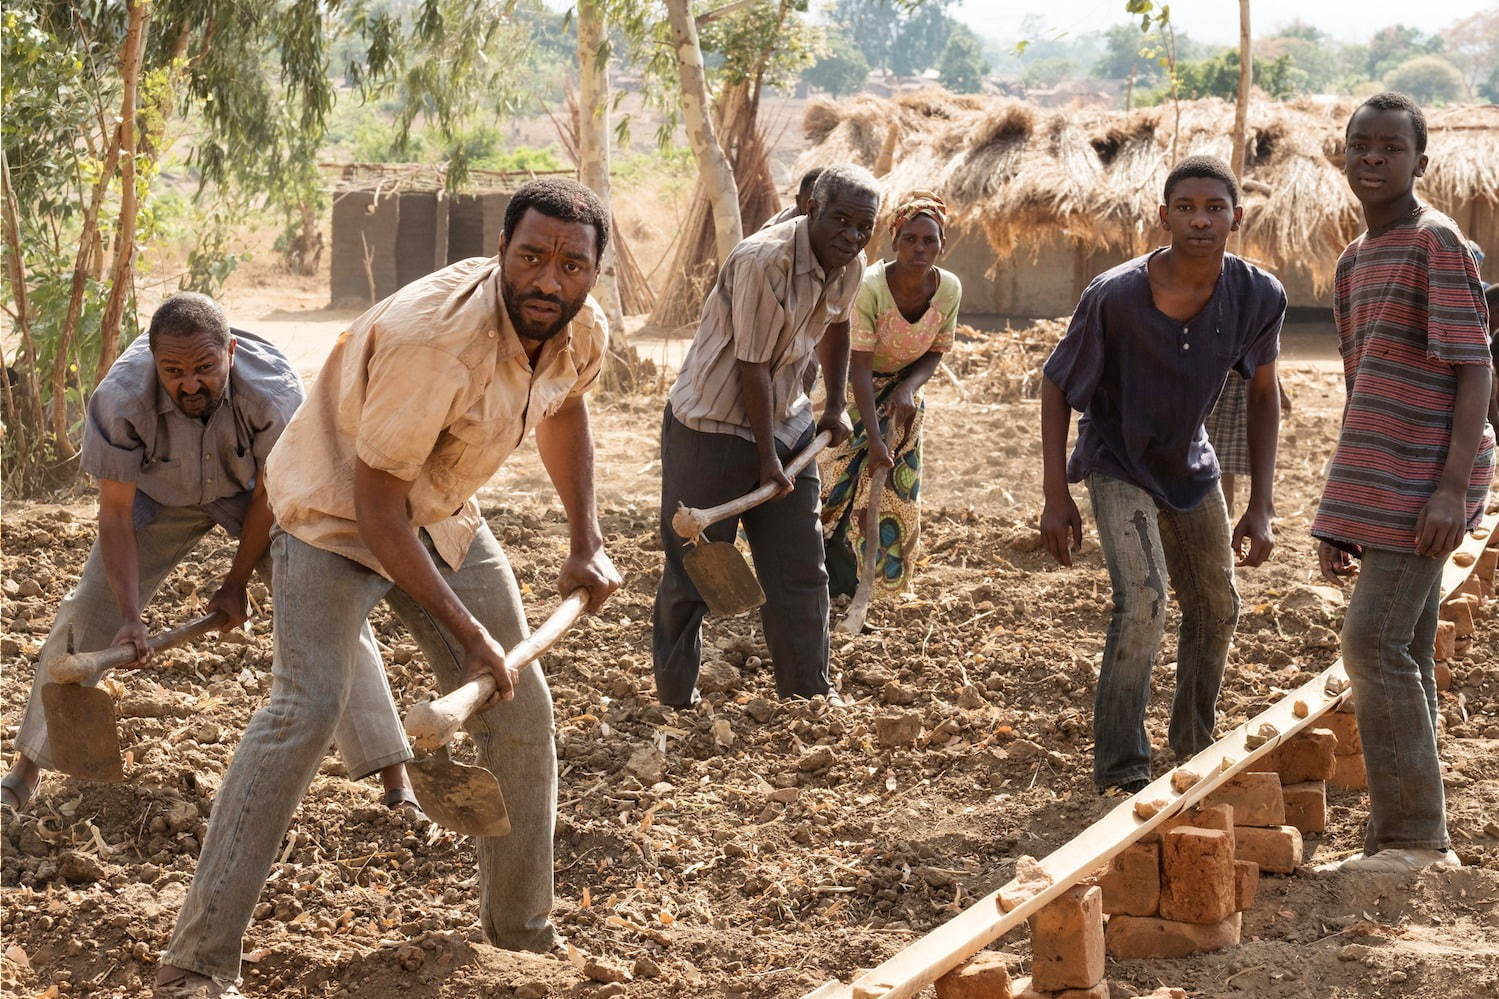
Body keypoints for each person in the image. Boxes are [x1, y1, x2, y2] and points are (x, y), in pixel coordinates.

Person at [153, 179, 622, 998]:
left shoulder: (581, 331)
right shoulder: (434, 343)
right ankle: (194, 963)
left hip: (439, 510)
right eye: (531, 257)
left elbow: (563, 410)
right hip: (335, 515)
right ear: (500, 254)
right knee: (307, 708)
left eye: (570, 265)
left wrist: (585, 539)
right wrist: (470, 638)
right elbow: (374, 509)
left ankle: (521, 937)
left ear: (594, 272)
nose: (548, 280)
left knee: (521, 711)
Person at [0, 294, 416, 815]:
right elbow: (114, 516)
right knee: (86, 613)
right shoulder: (121, 400)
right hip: (157, 495)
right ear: (153, 360)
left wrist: (236, 580)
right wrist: (130, 618)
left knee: (328, 606)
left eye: (204, 368)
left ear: (231, 352)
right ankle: (24, 771)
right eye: (173, 371)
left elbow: (270, 494)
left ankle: (396, 780)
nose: (190, 384)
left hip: (252, 494)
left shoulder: (274, 394)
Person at [1039, 155, 1285, 795]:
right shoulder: (1115, 295)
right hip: (1117, 460)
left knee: (1216, 603)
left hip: (1190, 462)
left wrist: (1261, 503)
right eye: (1186, 208)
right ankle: (1123, 770)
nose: (1200, 221)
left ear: (1237, 216)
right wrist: (1055, 494)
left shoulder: (1258, 294)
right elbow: (1056, 386)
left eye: (1214, 208)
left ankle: (1193, 745)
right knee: (1144, 600)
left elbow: (1264, 394)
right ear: (1163, 216)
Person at [1313, 93, 1493, 875]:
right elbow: (1366, 395)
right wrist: (1340, 512)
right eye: (1360, 146)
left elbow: (1472, 365)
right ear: (1344, 156)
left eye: (1390, 147)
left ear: (1420, 161)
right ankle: (1406, 836)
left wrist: (1451, 489)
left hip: (1429, 483)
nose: (1373, 158)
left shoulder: (1434, 242)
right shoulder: (1354, 262)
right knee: (1405, 647)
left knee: (1371, 643)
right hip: (1383, 483)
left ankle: (1416, 839)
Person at [653, 165, 880, 708]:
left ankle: (808, 697)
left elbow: (840, 324)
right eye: (840, 221)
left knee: (802, 569)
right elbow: (751, 366)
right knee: (696, 571)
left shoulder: (851, 262)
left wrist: (833, 407)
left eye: (863, 227)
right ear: (811, 211)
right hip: (711, 427)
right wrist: (766, 460)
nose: (850, 236)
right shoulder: (764, 259)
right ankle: (674, 703)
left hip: (788, 420)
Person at [822, 190, 961, 598]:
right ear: (894, 240)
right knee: (833, 483)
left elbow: (936, 350)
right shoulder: (869, 288)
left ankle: (866, 588)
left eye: (929, 240)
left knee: (891, 494)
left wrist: (908, 388)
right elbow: (859, 366)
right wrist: (876, 439)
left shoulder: (949, 289)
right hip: (848, 389)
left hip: (903, 398)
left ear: (942, 244)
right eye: (910, 239)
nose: (920, 248)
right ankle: (811, 577)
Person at [761, 167, 826, 230]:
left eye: (821, 205)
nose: (815, 211)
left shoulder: (829, 220)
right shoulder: (779, 229)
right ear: (798, 200)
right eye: (809, 204)